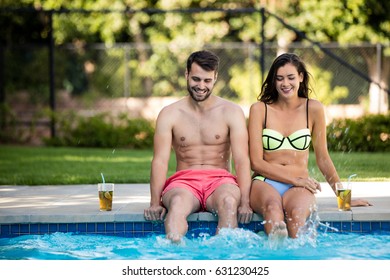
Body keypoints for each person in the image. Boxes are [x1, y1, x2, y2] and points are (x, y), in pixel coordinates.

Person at [248, 53, 371, 239]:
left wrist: (343, 199)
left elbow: (323, 158)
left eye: (291, 77)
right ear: (273, 81)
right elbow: (256, 163)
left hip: (300, 185)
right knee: (273, 210)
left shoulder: (313, 109)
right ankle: (275, 255)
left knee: (297, 215)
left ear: (301, 77)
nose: (285, 83)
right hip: (266, 182)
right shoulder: (260, 109)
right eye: (279, 78)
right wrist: (294, 179)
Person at [144, 50, 253, 243]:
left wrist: (245, 202)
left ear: (215, 78)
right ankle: (176, 254)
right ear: (186, 75)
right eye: (196, 79)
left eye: (207, 81)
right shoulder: (170, 114)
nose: (201, 86)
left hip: (221, 181)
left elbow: (242, 160)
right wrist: (154, 203)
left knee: (229, 204)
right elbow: (160, 161)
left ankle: (224, 258)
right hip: (184, 182)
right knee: (176, 205)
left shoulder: (231, 112)